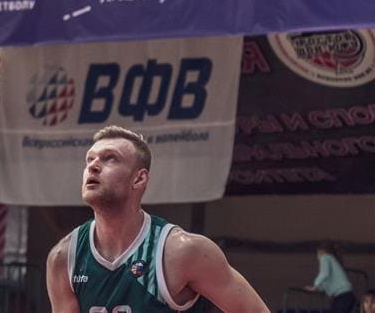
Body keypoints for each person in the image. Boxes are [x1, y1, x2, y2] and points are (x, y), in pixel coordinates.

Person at [46, 126, 269, 312]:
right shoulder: (64, 258)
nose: (93, 166)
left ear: (139, 179)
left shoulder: (183, 251)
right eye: (89, 159)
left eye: (110, 159)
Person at [304, 242, 355, 313]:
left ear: (320, 252)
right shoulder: (332, 260)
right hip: (343, 297)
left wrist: (315, 285)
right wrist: (318, 288)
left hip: (343, 296)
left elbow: (324, 273)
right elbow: (326, 280)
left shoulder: (325, 257)